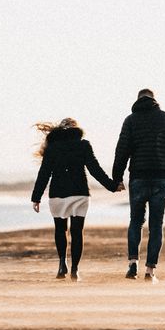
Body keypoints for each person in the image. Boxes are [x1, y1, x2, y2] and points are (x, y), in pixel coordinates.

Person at [112, 89, 165, 282]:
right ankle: (150, 271)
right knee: (156, 225)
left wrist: (117, 177)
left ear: (138, 100)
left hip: (138, 177)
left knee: (135, 222)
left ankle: (132, 265)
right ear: (155, 100)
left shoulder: (130, 120)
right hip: (161, 177)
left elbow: (122, 150)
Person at [31, 118, 123, 280]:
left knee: (60, 230)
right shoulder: (83, 145)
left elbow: (44, 173)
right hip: (79, 194)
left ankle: (62, 264)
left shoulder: (52, 147)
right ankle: (75, 270)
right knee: (77, 231)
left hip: (58, 194)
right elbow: (95, 169)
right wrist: (112, 186)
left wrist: (36, 197)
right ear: (76, 129)